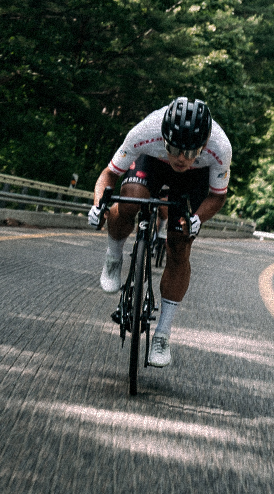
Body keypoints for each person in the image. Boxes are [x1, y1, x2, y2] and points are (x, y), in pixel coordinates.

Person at [88, 97, 231, 368]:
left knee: (179, 244)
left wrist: (197, 218)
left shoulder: (220, 147)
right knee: (129, 200)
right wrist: (98, 205)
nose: (181, 158)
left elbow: (217, 196)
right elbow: (109, 175)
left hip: (194, 178)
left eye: (190, 152)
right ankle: (114, 256)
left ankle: (162, 334)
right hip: (151, 163)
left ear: (204, 145)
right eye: (174, 149)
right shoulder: (146, 131)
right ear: (163, 136)